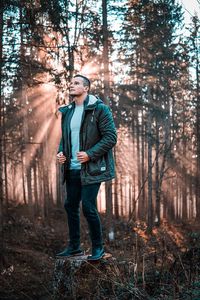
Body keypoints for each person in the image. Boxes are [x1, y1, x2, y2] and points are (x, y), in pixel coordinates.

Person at [56, 74, 117, 261]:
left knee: (88, 206)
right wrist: (60, 153)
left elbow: (110, 137)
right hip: (72, 168)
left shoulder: (100, 109)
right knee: (70, 205)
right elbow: (65, 138)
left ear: (86, 88)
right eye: (71, 83)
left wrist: (90, 154)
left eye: (76, 83)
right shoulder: (67, 112)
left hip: (92, 168)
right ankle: (74, 247)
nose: (71, 85)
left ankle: (98, 247)